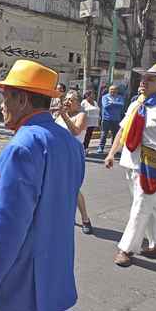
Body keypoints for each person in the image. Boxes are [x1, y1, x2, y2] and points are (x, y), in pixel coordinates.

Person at [0, 60, 85, 311]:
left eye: (6, 98)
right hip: (51, 278)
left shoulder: (24, 147)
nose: (2, 105)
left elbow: (8, 228)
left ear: (23, 100)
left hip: (12, 285)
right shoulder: (71, 144)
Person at [105, 63, 156, 267]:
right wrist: (112, 153)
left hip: (154, 166)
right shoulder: (137, 104)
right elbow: (123, 131)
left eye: (149, 79)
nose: (143, 82)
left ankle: (126, 249)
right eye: (143, 78)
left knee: (141, 207)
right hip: (132, 163)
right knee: (151, 207)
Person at [55, 89, 93, 234]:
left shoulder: (81, 115)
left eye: (71, 100)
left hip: (72, 155)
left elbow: (76, 131)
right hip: (58, 154)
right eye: (67, 99)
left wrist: (63, 115)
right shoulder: (61, 115)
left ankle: (85, 219)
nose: (68, 102)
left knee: (73, 188)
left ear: (78, 102)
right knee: (57, 186)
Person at [97, 85, 124, 154]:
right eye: (111, 89)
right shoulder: (105, 97)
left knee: (115, 135)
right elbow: (106, 106)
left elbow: (122, 105)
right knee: (104, 134)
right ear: (109, 90)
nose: (112, 91)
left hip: (116, 119)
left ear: (117, 91)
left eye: (114, 90)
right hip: (106, 119)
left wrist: (112, 103)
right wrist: (116, 104)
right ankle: (100, 148)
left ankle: (114, 149)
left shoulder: (120, 97)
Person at [81, 90, 101, 154]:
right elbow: (81, 111)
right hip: (86, 122)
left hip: (93, 122)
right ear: (87, 95)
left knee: (89, 136)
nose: (93, 95)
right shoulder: (84, 102)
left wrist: (98, 120)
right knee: (84, 136)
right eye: (92, 94)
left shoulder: (95, 102)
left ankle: (86, 148)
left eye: (94, 94)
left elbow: (98, 111)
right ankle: (82, 149)